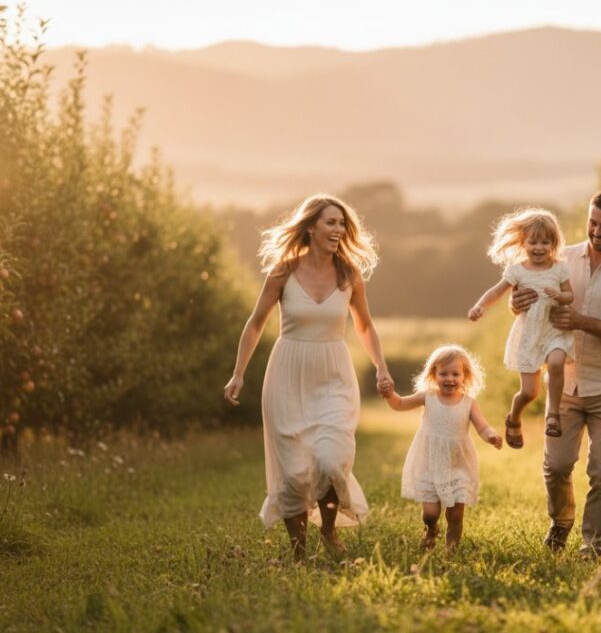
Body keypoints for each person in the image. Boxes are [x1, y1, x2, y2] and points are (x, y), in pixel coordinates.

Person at [223, 194, 393, 560]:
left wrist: (381, 367)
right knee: (295, 472)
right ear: (311, 227)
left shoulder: (349, 273)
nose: (338, 230)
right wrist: (238, 373)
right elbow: (255, 324)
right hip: (287, 374)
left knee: (332, 459)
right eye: (331, 222)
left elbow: (364, 325)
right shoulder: (283, 271)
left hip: (333, 373)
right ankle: (298, 550)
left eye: (342, 224)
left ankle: (329, 533)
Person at [511, 191, 601, 559]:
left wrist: (581, 322)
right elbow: (530, 299)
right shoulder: (563, 259)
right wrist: (517, 303)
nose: (596, 231)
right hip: (565, 383)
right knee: (556, 466)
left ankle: (592, 544)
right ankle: (561, 522)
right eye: (592, 222)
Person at [468, 208, 574, 447]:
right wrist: (480, 307)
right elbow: (496, 291)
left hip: (553, 331)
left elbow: (570, 296)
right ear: (523, 242)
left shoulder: (559, 268)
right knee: (529, 393)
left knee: (556, 363)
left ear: (554, 244)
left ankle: (553, 416)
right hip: (529, 335)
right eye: (533, 242)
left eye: (545, 242)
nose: (539, 247)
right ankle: (514, 417)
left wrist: (560, 295)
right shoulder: (517, 271)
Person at [382, 344, 502, 551]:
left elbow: (482, 426)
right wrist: (389, 395)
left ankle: (451, 549)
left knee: (455, 514)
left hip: (458, 463)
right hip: (429, 461)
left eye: (455, 374)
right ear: (433, 374)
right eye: (443, 373)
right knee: (429, 513)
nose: (449, 379)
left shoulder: (469, 403)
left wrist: (491, 435)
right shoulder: (427, 397)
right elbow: (400, 404)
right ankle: (431, 528)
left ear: (465, 376)